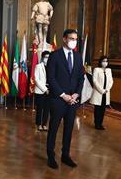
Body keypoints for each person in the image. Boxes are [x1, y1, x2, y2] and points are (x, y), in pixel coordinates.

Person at [46, 29, 84, 169]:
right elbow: (51, 78)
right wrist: (63, 95)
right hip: (58, 99)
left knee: (69, 129)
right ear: (64, 39)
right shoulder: (55, 56)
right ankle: (50, 155)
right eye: (71, 38)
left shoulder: (78, 57)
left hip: (72, 100)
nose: (73, 41)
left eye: (75, 39)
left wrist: (77, 94)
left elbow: (81, 78)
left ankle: (65, 155)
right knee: (54, 129)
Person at [90, 56, 114, 130]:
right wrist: (101, 90)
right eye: (103, 61)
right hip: (98, 92)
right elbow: (94, 81)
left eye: (106, 61)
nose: (105, 63)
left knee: (103, 109)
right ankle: (97, 124)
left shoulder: (109, 70)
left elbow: (111, 81)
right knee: (97, 109)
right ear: (100, 62)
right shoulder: (97, 69)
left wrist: (107, 89)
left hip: (106, 93)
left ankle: (100, 123)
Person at [34, 50, 50, 132]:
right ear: (42, 58)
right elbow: (36, 80)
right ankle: (39, 124)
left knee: (47, 108)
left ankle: (44, 124)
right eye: (46, 57)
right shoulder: (38, 66)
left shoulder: (51, 67)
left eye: (48, 57)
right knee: (40, 108)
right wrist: (45, 89)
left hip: (49, 91)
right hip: (40, 91)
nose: (47, 59)